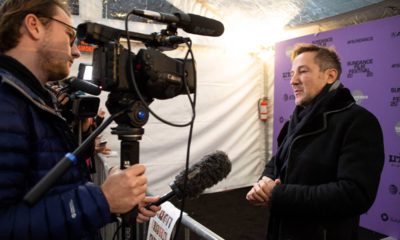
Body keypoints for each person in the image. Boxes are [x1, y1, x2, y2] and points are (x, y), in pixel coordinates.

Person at [0, 0, 160, 239]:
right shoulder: (6, 103)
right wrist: (102, 200)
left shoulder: (32, 98)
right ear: (33, 25)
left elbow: (54, 195)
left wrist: (113, 203)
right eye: (69, 35)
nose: (75, 51)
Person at [246, 43, 384, 240]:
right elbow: (278, 162)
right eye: (292, 73)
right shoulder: (298, 117)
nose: (293, 81)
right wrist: (264, 183)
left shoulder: (359, 122)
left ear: (330, 76)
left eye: (302, 72)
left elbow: (355, 194)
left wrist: (278, 195)